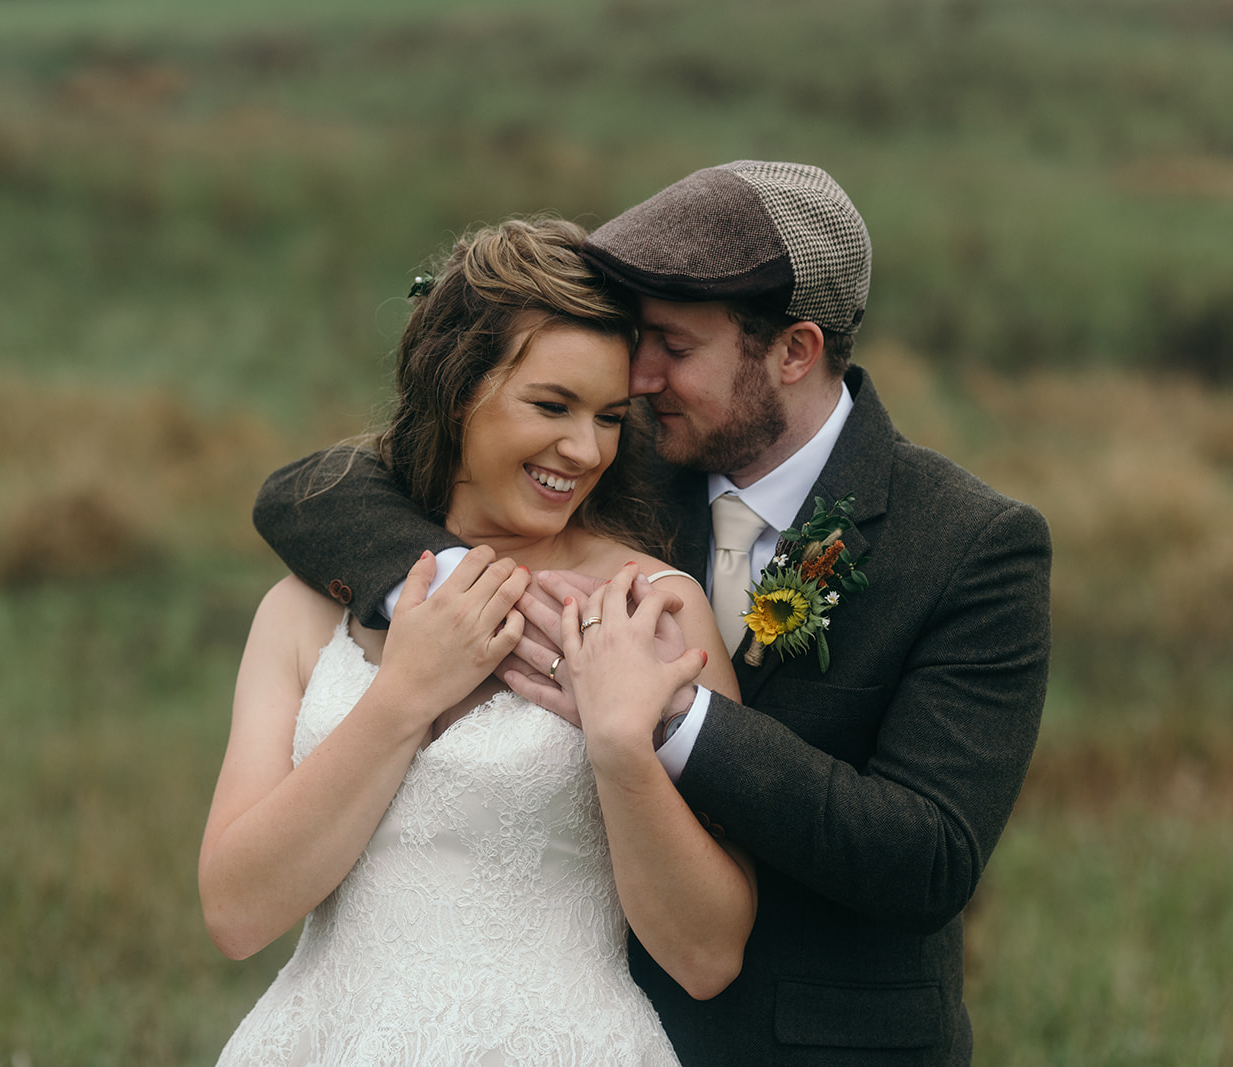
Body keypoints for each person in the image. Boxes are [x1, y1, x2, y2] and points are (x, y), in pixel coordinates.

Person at [252, 162, 1053, 1065]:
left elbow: (930, 856)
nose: (637, 375)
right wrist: (442, 599)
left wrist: (673, 716)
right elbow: (310, 492)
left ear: (793, 350)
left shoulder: (970, 544)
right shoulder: (616, 452)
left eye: (672, 345)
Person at [201, 217, 755, 1066]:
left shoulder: (654, 610)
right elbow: (237, 913)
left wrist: (619, 746)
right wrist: (405, 694)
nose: (585, 448)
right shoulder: (307, 606)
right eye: (551, 405)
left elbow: (709, 956)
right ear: (458, 389)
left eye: (610, 416)